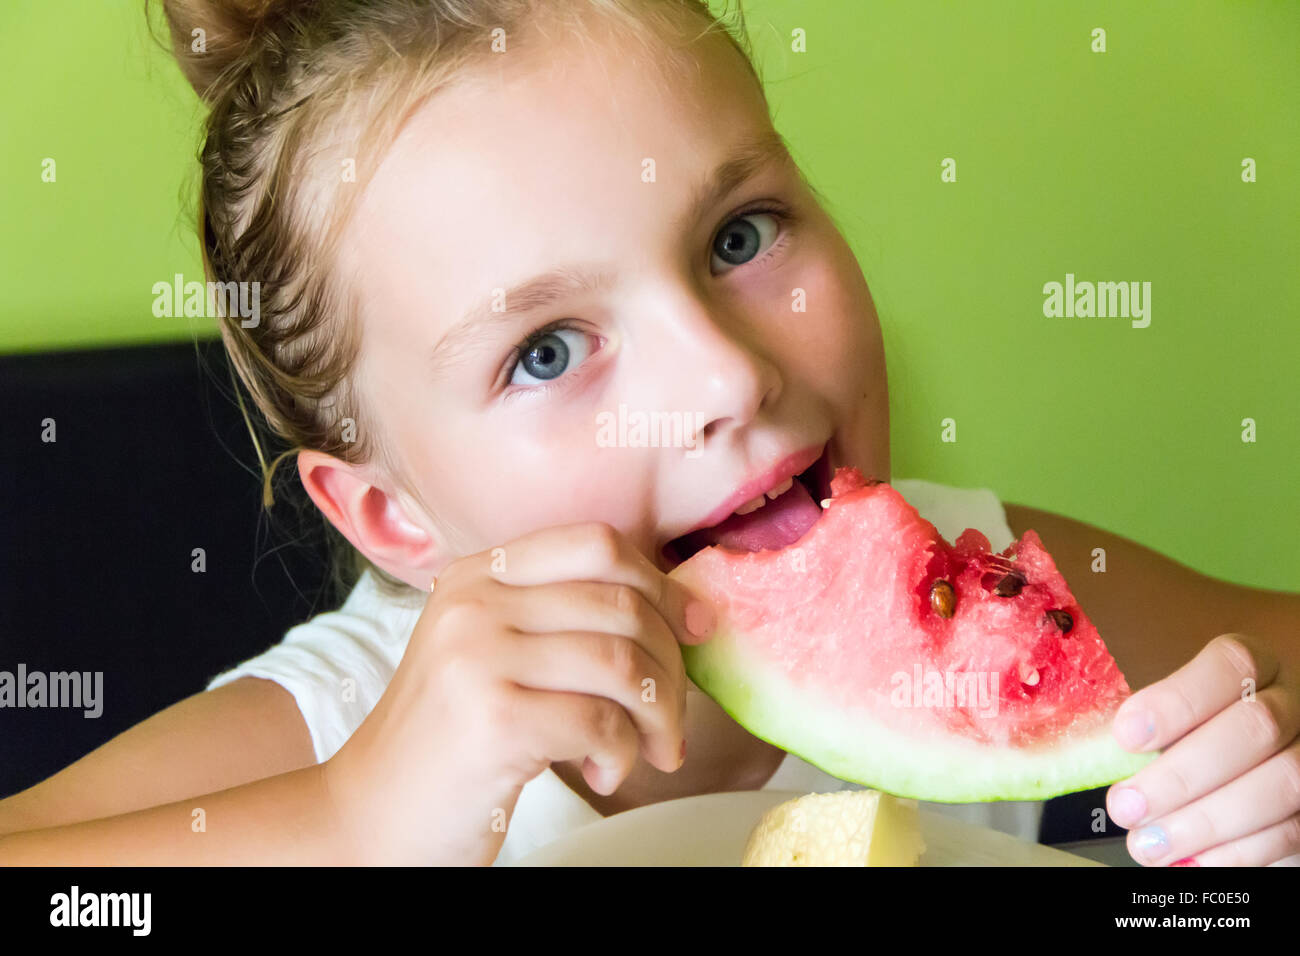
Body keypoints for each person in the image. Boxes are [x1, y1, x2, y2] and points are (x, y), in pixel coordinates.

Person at [1, 0, 1295, 866]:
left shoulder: (973, 583)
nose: (727, 376)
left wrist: (1267, 776)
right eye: (547, 352)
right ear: (394, 520)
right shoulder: (343, 730)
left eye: (741, 235)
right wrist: (351, 818)